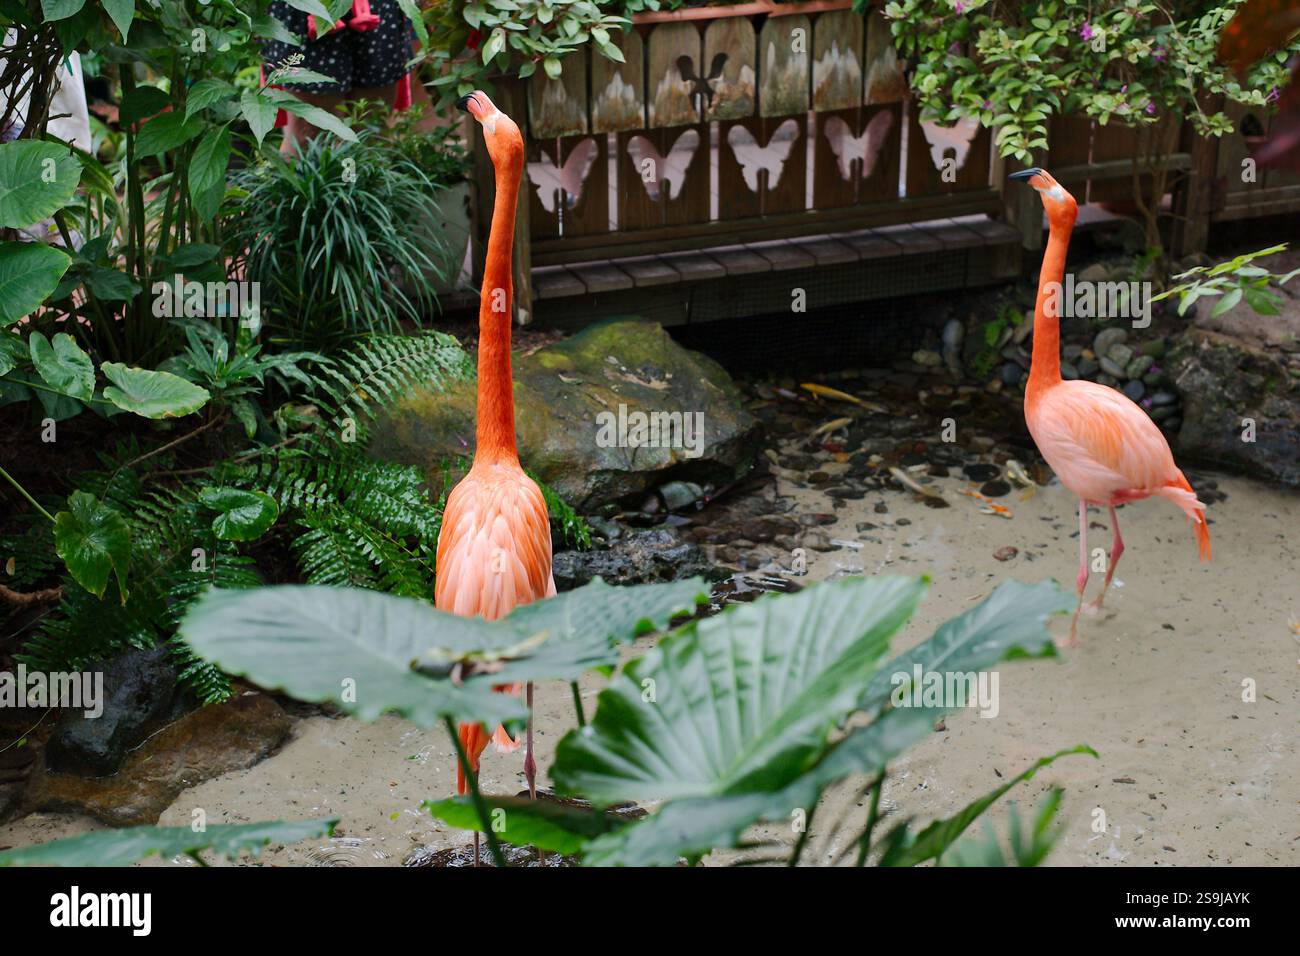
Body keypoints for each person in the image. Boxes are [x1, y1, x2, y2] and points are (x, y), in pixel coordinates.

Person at [262, 0, 416, 156]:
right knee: (309, 136)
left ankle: (360, 177)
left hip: (376, 9)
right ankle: (302, 177)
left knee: (371, 129)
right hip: (306, 8)